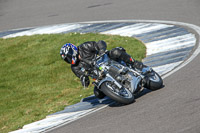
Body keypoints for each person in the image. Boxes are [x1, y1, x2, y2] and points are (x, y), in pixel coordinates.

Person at [60, 40, 144, 88]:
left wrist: (101, 51)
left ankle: (134, 63)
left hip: (106, 60)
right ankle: (118, 90)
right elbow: (82, 77)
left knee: (116, 52)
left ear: (73, 49)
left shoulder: (84, 47)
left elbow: (100, 43)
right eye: (67, 58)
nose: (69, 58)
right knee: (98, 93)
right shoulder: (75, 67)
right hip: (100, 76)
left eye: (69, 55)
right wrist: (84, 79)